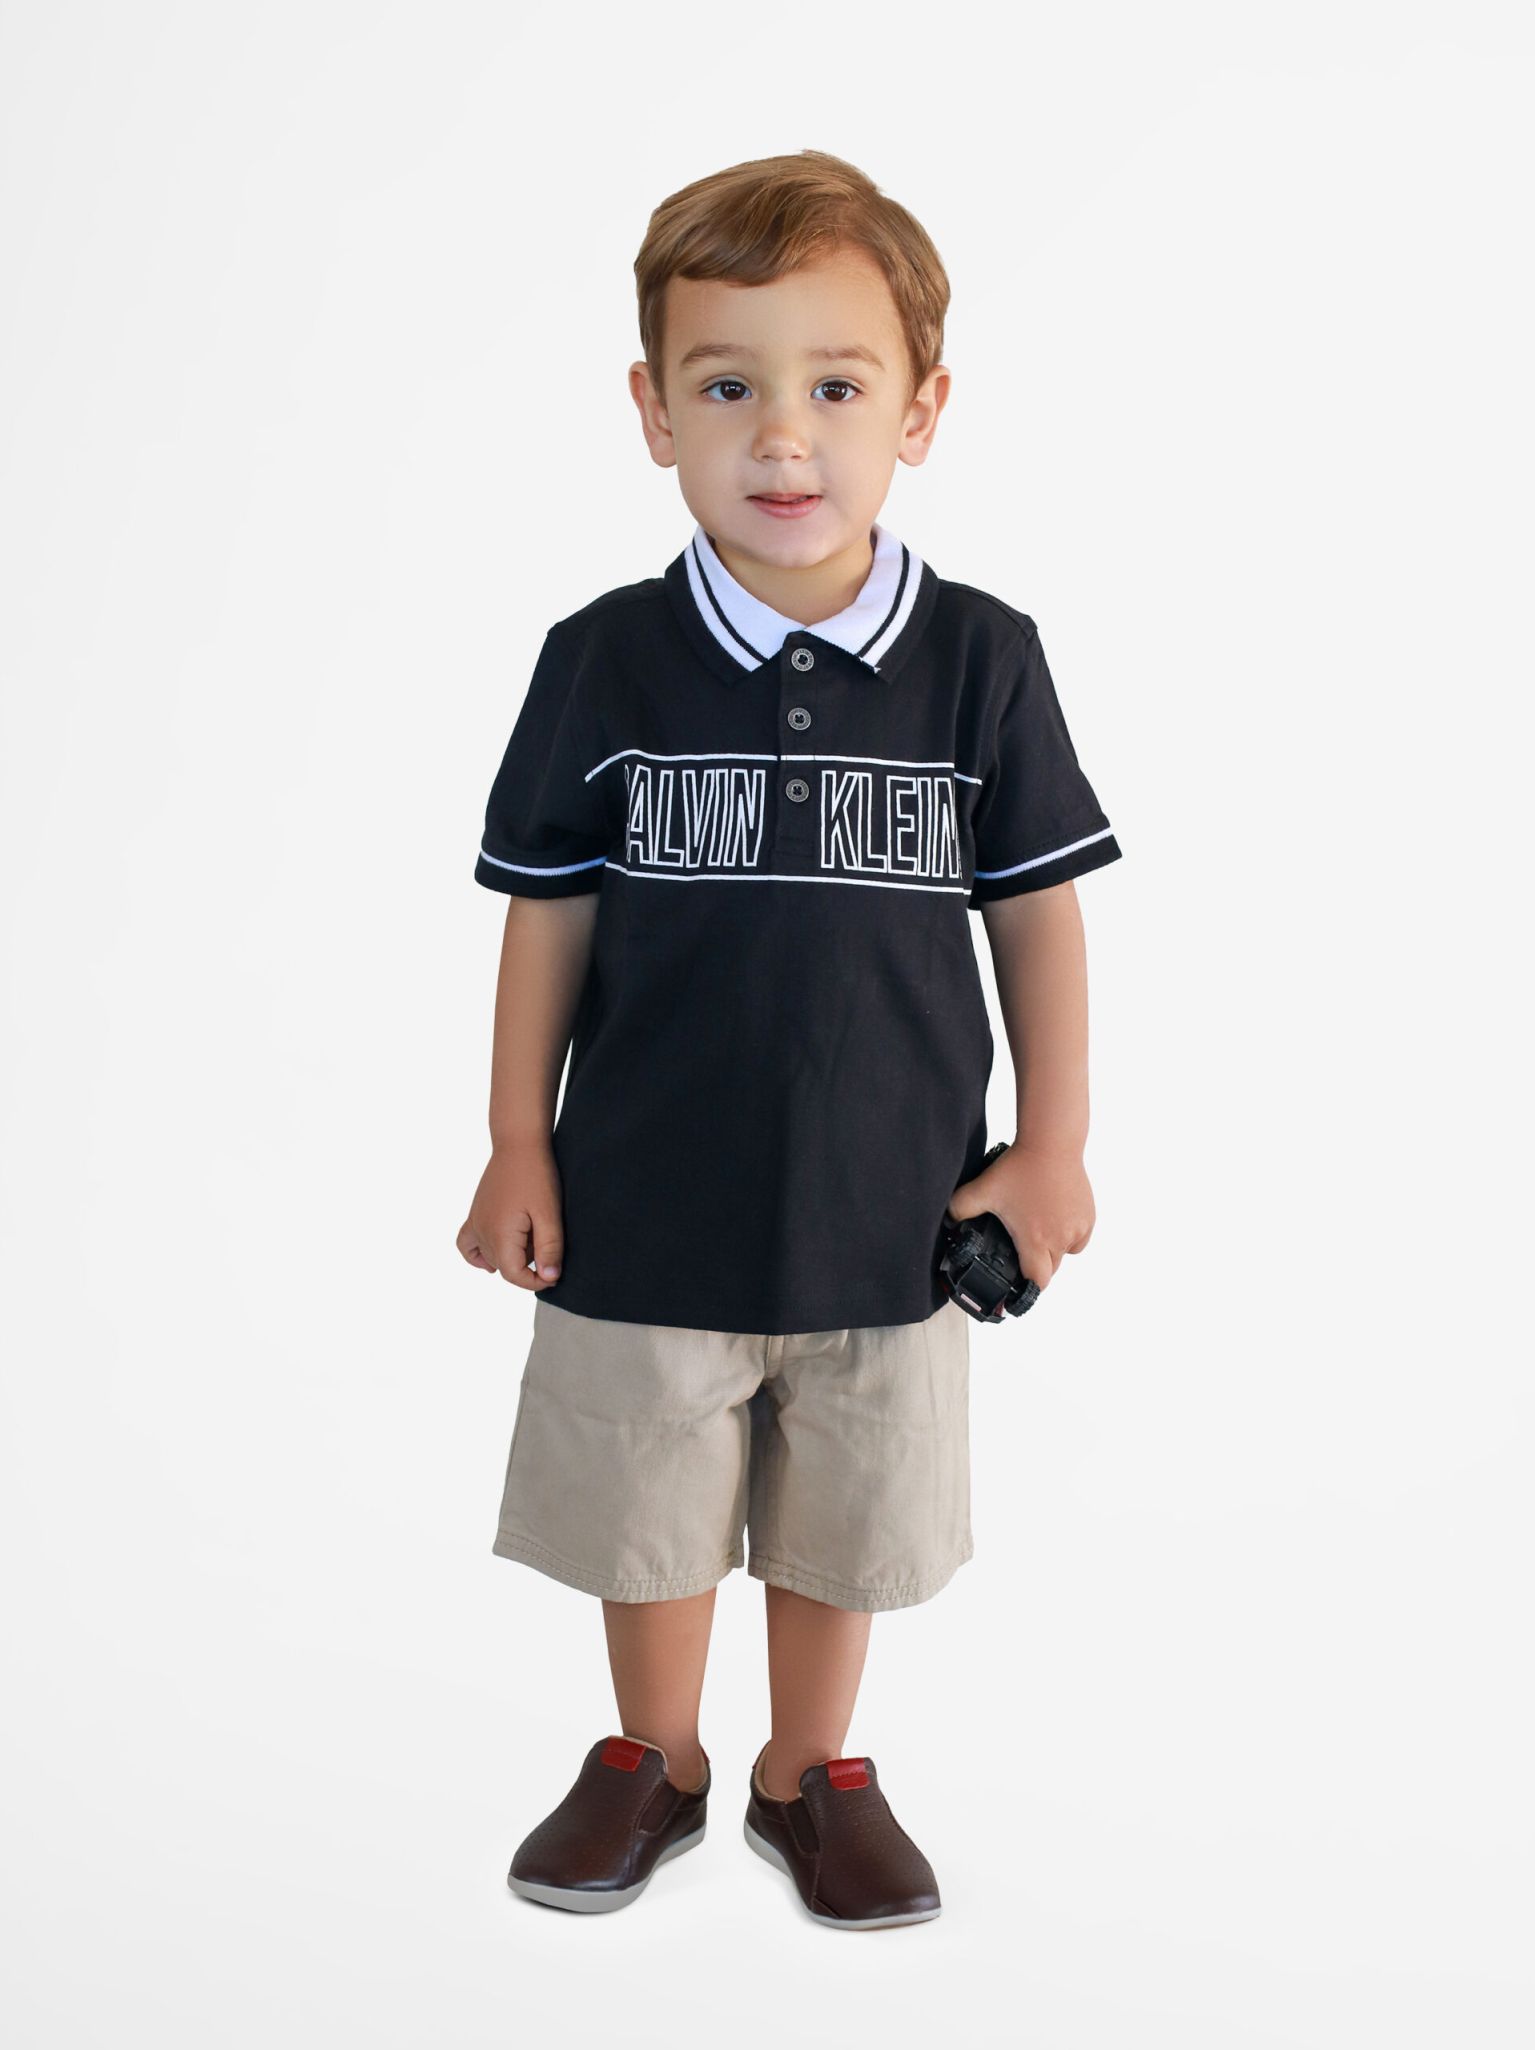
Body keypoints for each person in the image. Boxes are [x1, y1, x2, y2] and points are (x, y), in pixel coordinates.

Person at [456, 148, 1123, 1929]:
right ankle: (655, 1755)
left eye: (835, 386)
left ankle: (808, 1770)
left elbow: (1037, 914)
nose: (780, 437)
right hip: (642, 1201)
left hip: (890, 1207)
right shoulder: (605, 660)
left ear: (922, 410)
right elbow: (550, 912)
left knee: (848, 1514)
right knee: (647, 1501)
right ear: (651, 409)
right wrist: (518, 1138)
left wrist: (1051, 1147)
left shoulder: (981, 660)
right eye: (725, 386)